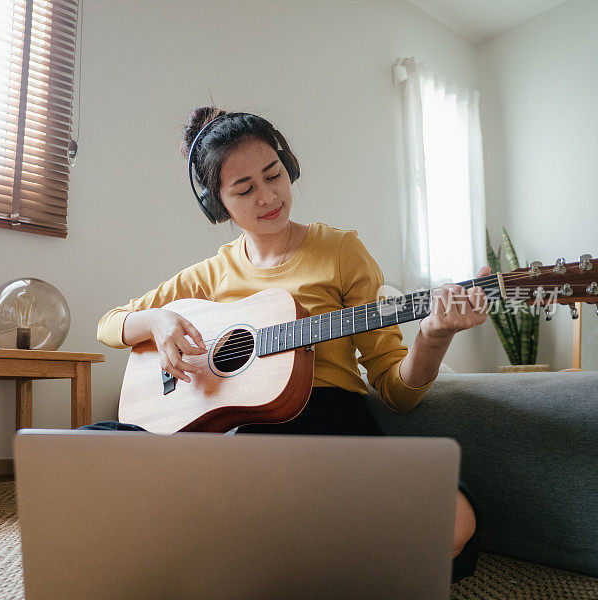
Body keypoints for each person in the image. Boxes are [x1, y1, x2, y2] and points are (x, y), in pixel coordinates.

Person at [95, 108, 489, 583]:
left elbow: (395, 391)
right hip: (236, 437)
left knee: (454, 522)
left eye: (274, 175)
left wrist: (433, 335)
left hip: (331, 427)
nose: (268, 197)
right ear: (218, 204)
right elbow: (109, 324)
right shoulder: (209, 275)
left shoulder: (341, 250)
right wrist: (156, 320)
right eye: (244, 189)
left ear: (289, 167)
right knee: (91, 449)